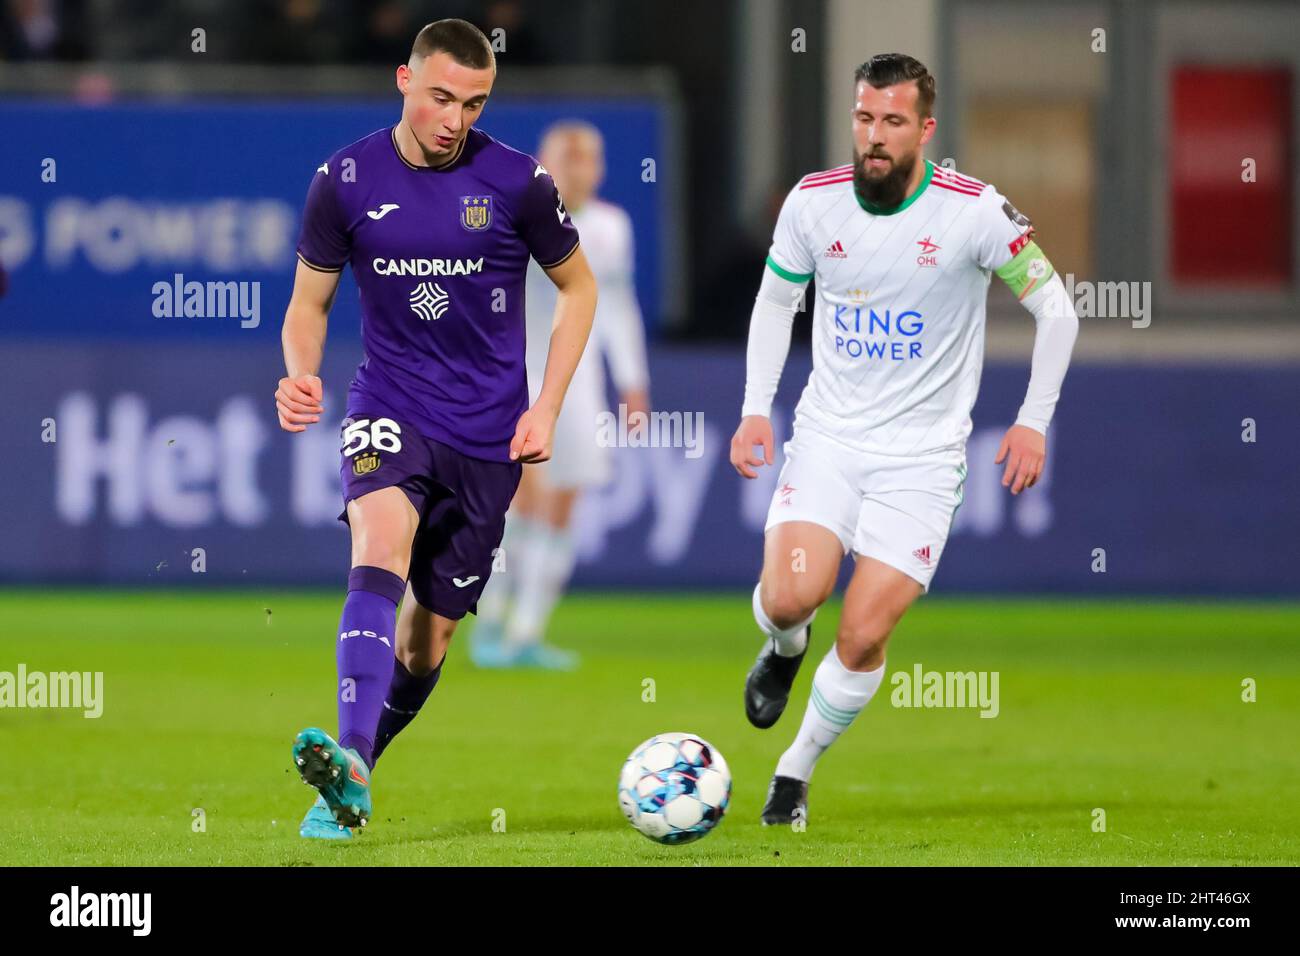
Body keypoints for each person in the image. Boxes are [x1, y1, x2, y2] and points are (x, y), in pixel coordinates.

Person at [731, 53, 1079, 824]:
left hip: (922, 463)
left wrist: (1032, 421)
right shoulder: (812, 204)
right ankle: (786, 649)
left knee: (861, 635)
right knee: (792, 597)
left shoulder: (975, 213)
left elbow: (1058, 310)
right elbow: (774, 303)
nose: (874, 135)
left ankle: (795, 770)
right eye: (863, 118)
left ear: (924, 129)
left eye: (892, 121)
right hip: (827, 439)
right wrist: (757, 406)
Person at [275, 19, 597, 838]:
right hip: (389, 405)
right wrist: (301, 372)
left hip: (488, 438)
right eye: (442, 98)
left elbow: (580, 291)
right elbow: (307, 306)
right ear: (404, 81)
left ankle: (356, 776)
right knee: (378, 542)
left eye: (475, 103)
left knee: (428, 643)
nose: (455, 120)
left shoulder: (519, 183)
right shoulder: (344, 179)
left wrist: (547, 404)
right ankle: (346, 755)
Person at [472, 120, 650, 670]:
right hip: (519, 375)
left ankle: (527, 631)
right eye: (567, 160)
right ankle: (489, 625)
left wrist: (633, 380)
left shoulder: (612, 228)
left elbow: (618, 308)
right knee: (521, 496)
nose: (579, 170)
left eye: (588, 160)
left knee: (565, 502)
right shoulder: (517, 215)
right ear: (546, 163)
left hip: (580, 380)